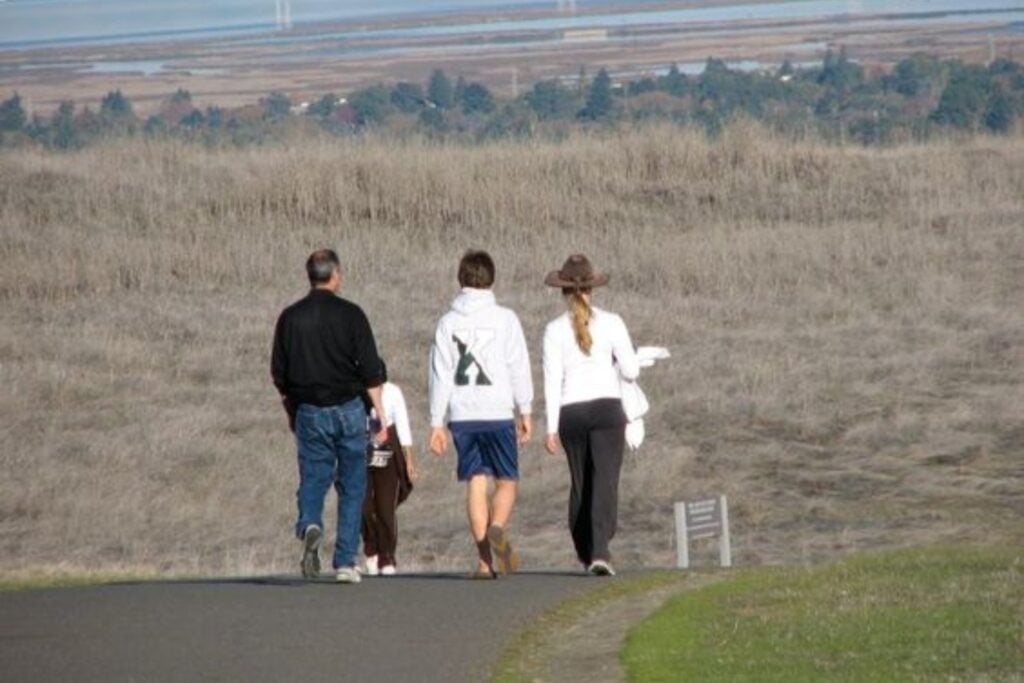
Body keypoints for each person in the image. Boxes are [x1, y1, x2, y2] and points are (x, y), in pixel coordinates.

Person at [271, 248, 388, 584]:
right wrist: (380, 416)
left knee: (314, 477)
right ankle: (346, 561)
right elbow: (370, 371)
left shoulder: (290, 318)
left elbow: (279, 373)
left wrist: (292, 409)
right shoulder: (352, 315)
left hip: (309, 409)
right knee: (352, 484)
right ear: (335, 274)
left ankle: (310, 522)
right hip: (349, 408)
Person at [428, 250, 533, 578]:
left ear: (460, 280)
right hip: (498, 410)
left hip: (463, 415)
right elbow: (518, 366)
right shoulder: (505, 318)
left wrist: (436, 422)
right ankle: (498, 526)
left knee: (475, 480)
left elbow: (440, 373)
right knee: (507, 481)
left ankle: (485, 561)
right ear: (491, 279)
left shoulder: (448, 323)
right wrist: (525, 409)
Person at [542, 254, 639, 576]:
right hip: (607, 408)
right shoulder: (612, 322)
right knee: (605, 480)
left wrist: (551, 428)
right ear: (591, 289)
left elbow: (552, 380)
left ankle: (585, 550)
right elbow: (631, 369)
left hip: (571, 411)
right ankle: (600, 550)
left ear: (564, 291)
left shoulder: (553, 330)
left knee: (580, 483)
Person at [362, 373, 418, 576]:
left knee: (386, 508)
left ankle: (386, 556)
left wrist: (409, 459)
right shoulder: (355, 392)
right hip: (363, 450)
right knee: (364, 506)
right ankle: (371, 548)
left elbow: (403, 425)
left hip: (389, 451)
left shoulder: (393, 392)